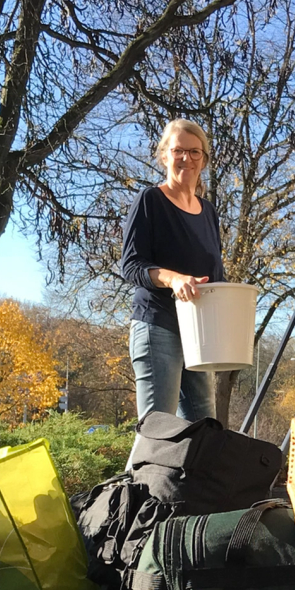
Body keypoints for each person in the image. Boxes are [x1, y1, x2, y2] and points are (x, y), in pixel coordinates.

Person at [121, 119, 224, 433]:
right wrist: (173, 278)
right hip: (157, 325)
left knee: (204, 432)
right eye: (178, 150)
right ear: (164, 155)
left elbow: (216, 276)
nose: (186, 158)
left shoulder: (208, 212)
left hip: (197, 334)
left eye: (194, 152)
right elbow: (131, 265)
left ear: (203, 160)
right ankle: (143, 470)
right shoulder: (150, 201)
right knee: (158, 433)